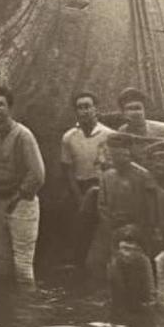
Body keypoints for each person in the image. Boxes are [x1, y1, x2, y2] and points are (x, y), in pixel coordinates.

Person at [0, 86, 45, 286]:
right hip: (1, 201)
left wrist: (18, 197)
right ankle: (8, 312)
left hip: (22, 202)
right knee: (2, 263)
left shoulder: (23, 135)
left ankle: (28, 312)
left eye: (1, 104)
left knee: (23, 265)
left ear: (9, 108)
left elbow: (38, 174)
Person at [89, 131, 159, 269]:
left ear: (129, 153)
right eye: (114, 154)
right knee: (94, 262)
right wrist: (110, 223)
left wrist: (135, 226)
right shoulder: (107, 176)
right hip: (110, 227)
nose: (118, 158)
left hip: (138, 227)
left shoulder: (143, 176)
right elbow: (102, 205)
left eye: (122, 154)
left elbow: (151, 207)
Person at [60, 91, 113, 267]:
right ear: (75, 111)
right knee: (80, 229)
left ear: (96, 109)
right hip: (80, 186)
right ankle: (78, 266)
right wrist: (78, 196)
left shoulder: (108, 135)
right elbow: (67, 169)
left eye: (88, 106)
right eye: (80, 107)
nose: (84, 111)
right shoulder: (69, 137)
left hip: (102, 186)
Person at [108, 224, 155, 310]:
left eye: (134, 249)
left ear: (140, 251)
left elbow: (150, 292)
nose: (128, 254)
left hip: (139, 301)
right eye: (125, 248)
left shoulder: (144, 261)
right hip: (119, 302)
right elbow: (113, 295)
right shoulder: (114, 263)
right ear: (118, 249)